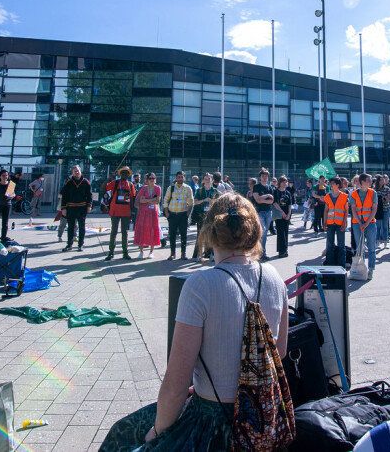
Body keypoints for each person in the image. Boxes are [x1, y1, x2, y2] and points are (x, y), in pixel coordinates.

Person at [102, 192, 288, 451]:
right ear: (254, 230)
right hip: (262, 422)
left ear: (210, 230)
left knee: (121, 437)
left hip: (213, 425)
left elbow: (176, 386)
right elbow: (279, 352)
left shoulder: (200, 285)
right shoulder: (275, 278)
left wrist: (156, 432)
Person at [349, 173, 378, 279]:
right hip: (357, 224)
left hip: (370, 223)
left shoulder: (373, 193)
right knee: (360, 248)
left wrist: (366, 223)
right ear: (362, 182)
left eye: (371, 180)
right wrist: (360, 223)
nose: (371, 182)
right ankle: (362, 269)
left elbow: (374, 209)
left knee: (371, 248)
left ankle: (371, 269)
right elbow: (353, 209)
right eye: (368, 180)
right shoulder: (354, 194)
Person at [104, 167, 137, 261]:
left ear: (128, 175)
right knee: (113, 232)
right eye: (122, 173)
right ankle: (111, 252)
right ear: (120, 174)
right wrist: (109, 178)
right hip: (115, 211)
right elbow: (103, 187)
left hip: (126, 212)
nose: (124, 174)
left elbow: (132, 200)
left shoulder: (130, 185)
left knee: (124, 232)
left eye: (126, 173)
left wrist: (132, 212)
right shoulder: (115, 183)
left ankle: (125, 252)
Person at [58, 165, 92, 252]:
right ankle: (69, 244)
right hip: (71, 208)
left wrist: (89, 206)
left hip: (82, 208)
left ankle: (80, 245)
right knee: (70, 227)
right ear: (72, 173)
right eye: (75, 171)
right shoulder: (68, 183)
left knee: (81, 227)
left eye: (78, 170)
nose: (77, 172)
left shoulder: (86, 182)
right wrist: (63, 208)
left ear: (80, 171)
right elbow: (64, 196)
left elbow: (89, 195)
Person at [163, 170, 194, 260]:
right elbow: (165, 200)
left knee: (183, 235)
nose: (180, 178)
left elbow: (191, 202)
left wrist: (187, 214)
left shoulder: (188, 188)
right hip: (172, 215)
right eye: (178, 177)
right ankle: (172, 253)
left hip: (183, 215)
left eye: (182, 177)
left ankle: (183, 253)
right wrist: (166, 213)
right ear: (176, 178)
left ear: (184, 178)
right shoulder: (171, 188)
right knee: (172, 235)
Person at [134, 172, 162, 259]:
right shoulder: (144, 188)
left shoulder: (158, 188)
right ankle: (141, 251)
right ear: (147, 180)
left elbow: (157, 201)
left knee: (152, 230)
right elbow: (140, 200)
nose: (152, 180)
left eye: (153, 178)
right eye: (150, 178)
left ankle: (151, 251)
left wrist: (146, 200)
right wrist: (151, 200)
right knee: (142, 230)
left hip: (153, 213)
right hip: (143, 212)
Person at [323, 176, 349, 267]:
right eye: (330, 184)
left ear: (337, 185)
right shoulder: (327, 196)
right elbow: (326, 210)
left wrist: (344, 223)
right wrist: (325, 222)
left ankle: (342, 265)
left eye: (332, 184)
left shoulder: (344, 196)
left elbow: (346, 211)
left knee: (341, 245)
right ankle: (330, 264)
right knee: (330, 244)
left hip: (340, 223)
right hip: (330, 223)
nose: (331, 185)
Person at [193, 174, 219, 261]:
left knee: (211, 234)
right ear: (203, 180)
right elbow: (195, 202)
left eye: (209, 179)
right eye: (205, 179)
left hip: (211, 215)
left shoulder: (215, 190)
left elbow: (218, 203)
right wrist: (204, 200)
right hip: (201, 214)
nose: (207, 180)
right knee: (200, 234)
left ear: (211, 180)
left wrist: (211, 201)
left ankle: (212, 254)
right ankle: (199, 255)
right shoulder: (200, 190)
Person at [251, 168, 276, 259]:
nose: (264, 177)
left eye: (266, 176)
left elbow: (272, 201)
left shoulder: (270, 187)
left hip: (268, 212)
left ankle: (262, 252)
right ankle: (261, 252)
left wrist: (263, 199)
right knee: (263, 231)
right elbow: (257, 199)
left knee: (264, 232)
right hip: (259, 212)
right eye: (263, 176)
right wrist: (267, 196)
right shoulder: (257, 187)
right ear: (260, 177)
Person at [273, 175, 293, 258]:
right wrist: (282, 213)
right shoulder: (276, 191)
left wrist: (288, 214)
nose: (285, 183)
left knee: (286, 231)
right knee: (280, 232)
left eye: (286, 182)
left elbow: (289, 204)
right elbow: (275, 203)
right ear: (279, 183)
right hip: (279, 214)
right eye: (283, 182)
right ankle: (281, 251)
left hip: (286, 214)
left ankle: (285, 249)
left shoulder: (287, 192)